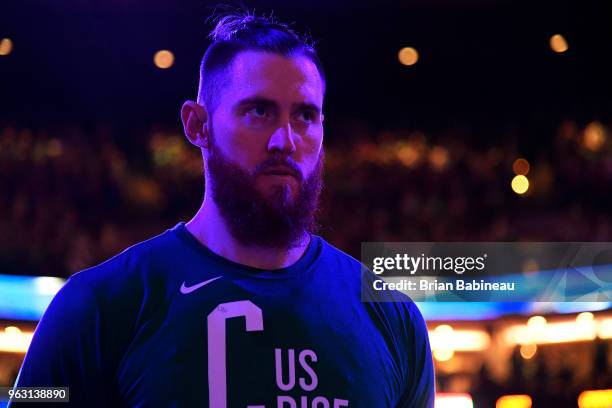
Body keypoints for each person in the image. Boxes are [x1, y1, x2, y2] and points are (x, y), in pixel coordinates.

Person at [11, 12, 435, 408]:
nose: (284, 140)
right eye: (259, 111)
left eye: (305, 116)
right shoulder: (94, 307)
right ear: (198, 125)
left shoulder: (393, 318)